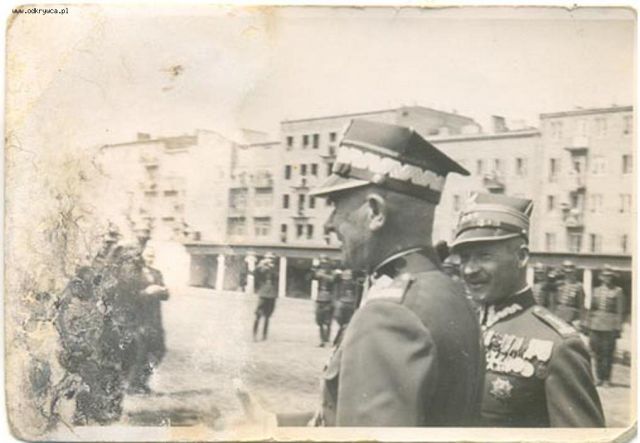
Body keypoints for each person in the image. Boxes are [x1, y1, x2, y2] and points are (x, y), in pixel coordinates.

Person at [239, 119, 484, 427]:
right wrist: (275, 424)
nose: (329, 224)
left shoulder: (390, 315)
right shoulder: (447, 292)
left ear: (375, 212)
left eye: (336, 206)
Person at [451, 192, 604, 427]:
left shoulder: (558, 345)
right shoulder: (462, 326)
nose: (470, 269)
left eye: (484, 256)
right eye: (464, 258)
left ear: (521, 257)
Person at [126, 246, 170, 394]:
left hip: (155, 319)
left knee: (159, 350)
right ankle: (133, 385)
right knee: (140, 352)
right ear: (141, 256)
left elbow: (166, 296)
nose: (150, 259)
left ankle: (142, 381)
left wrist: (162, 291)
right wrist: (147, 292)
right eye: (148, 256)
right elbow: (129, 297)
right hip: (139, 318)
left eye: (152, 256)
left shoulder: (157, 273)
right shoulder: (134, 274)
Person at [585, 265, 625, 387]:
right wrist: (588, 324)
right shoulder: (595, 290)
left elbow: (619, 311)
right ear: (601, 277)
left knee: (607, 353)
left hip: (609, 326)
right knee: (596, 352)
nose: (607, 278)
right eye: (605, 276)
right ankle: (599, 378)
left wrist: (618, 327)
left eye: (609, 276)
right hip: (596, 325)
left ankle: (606, 379)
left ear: (612, 278)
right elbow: (591, 309)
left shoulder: (617, 291)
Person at [253, 253, 278, 341]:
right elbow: (255, 273)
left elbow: (276, 278)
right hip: (263, 293)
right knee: (258, 314)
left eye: (272, 259)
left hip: (272, 294)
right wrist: (261, 265)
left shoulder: (274, 268)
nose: (270, 260)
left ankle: (264, 335)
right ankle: (254, 335)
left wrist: (270, 268)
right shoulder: (262, 268)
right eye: (269, 258)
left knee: (267, 315)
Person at [552, 260, 585, 326]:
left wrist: (579, 319)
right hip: (558, 313)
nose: (568, 274)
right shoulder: (558, 284)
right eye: (566, 272)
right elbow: (552, 301)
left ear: (574, 272)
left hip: (571, 316)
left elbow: (581, 304)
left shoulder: (578, 286)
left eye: (570, 272)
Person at [313, 255, 336, 347]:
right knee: (320, 321)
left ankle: (326, 339)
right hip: (319, 298)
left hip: (329, 299)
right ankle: (322, 340)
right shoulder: (319, 272)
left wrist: (323, 275)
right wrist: (315, 271)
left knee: (328, 321)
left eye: (325, 264)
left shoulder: (332, 273)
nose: (323, 266)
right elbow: (312, 277)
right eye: (322, 264)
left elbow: (332, 279)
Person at [332, 268, 358, 344]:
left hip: (350, 304)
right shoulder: (339, 285)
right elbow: (336, 294)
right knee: (342, 323)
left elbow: (356, 296)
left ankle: (339, 340)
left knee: (346, 324)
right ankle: (339, 339)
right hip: (341, 304)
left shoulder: (354, 284)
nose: (346, 281)